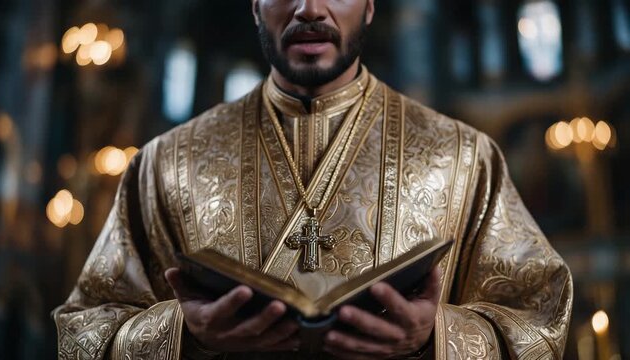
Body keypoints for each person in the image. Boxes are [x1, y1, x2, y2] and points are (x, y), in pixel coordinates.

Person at [54, 1, 572, 359]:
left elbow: (538, 320)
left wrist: (434, 335)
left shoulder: (464, 156)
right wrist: (183, 334)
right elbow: (83, 333)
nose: (309, 10)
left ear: (369, 6)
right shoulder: (165, 162)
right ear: (255, 5)